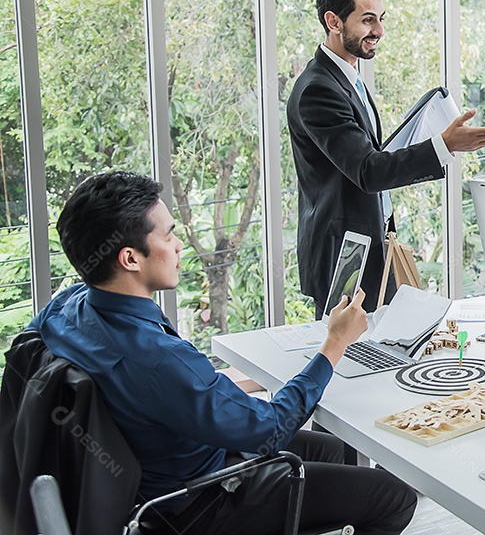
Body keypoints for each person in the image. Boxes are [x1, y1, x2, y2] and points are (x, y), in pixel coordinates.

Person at [28, 171, 417, 534]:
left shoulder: (67, 308)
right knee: (393, 496)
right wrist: (334, 345)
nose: (179, 244)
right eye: (168, 236)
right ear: (130, 258)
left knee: (330, 451)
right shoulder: (156, 360)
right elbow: (269, 427)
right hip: (199, 501)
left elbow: (27, 344)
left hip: (162, 469)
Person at [288, 0, 485, 316]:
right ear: (333, 21)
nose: (379, 31)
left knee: (379, 356)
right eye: (368, 20)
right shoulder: (319, 90)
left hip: (369, 245)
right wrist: (443, 144)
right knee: (346, 358)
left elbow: (366, 158)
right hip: (345, 256)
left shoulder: (348, 79)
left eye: (381, 19)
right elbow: (367, 170)